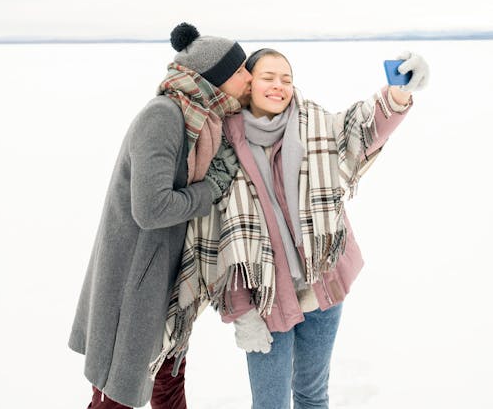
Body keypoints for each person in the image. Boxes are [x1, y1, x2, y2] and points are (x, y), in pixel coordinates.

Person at [160, 47, 429, 409]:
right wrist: (242, 313)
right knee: (270, 403)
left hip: (323, 286)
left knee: (312, 395)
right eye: (268, 78)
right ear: (249, 85)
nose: (279, 86)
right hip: (266, 297)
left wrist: (399, 93)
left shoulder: (313, 124)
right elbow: (219, 234)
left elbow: (363, 127)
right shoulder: (223, 146)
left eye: (286, 79)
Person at [68, 22, 252, 409]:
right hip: (134, 278)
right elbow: (151, 209)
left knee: (168, 379)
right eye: (239, 72)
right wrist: (210, 189)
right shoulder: (164, 116)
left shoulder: (205, 120)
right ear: (212, 78)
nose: (248, 78)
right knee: (115, 393)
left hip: (167, 277)